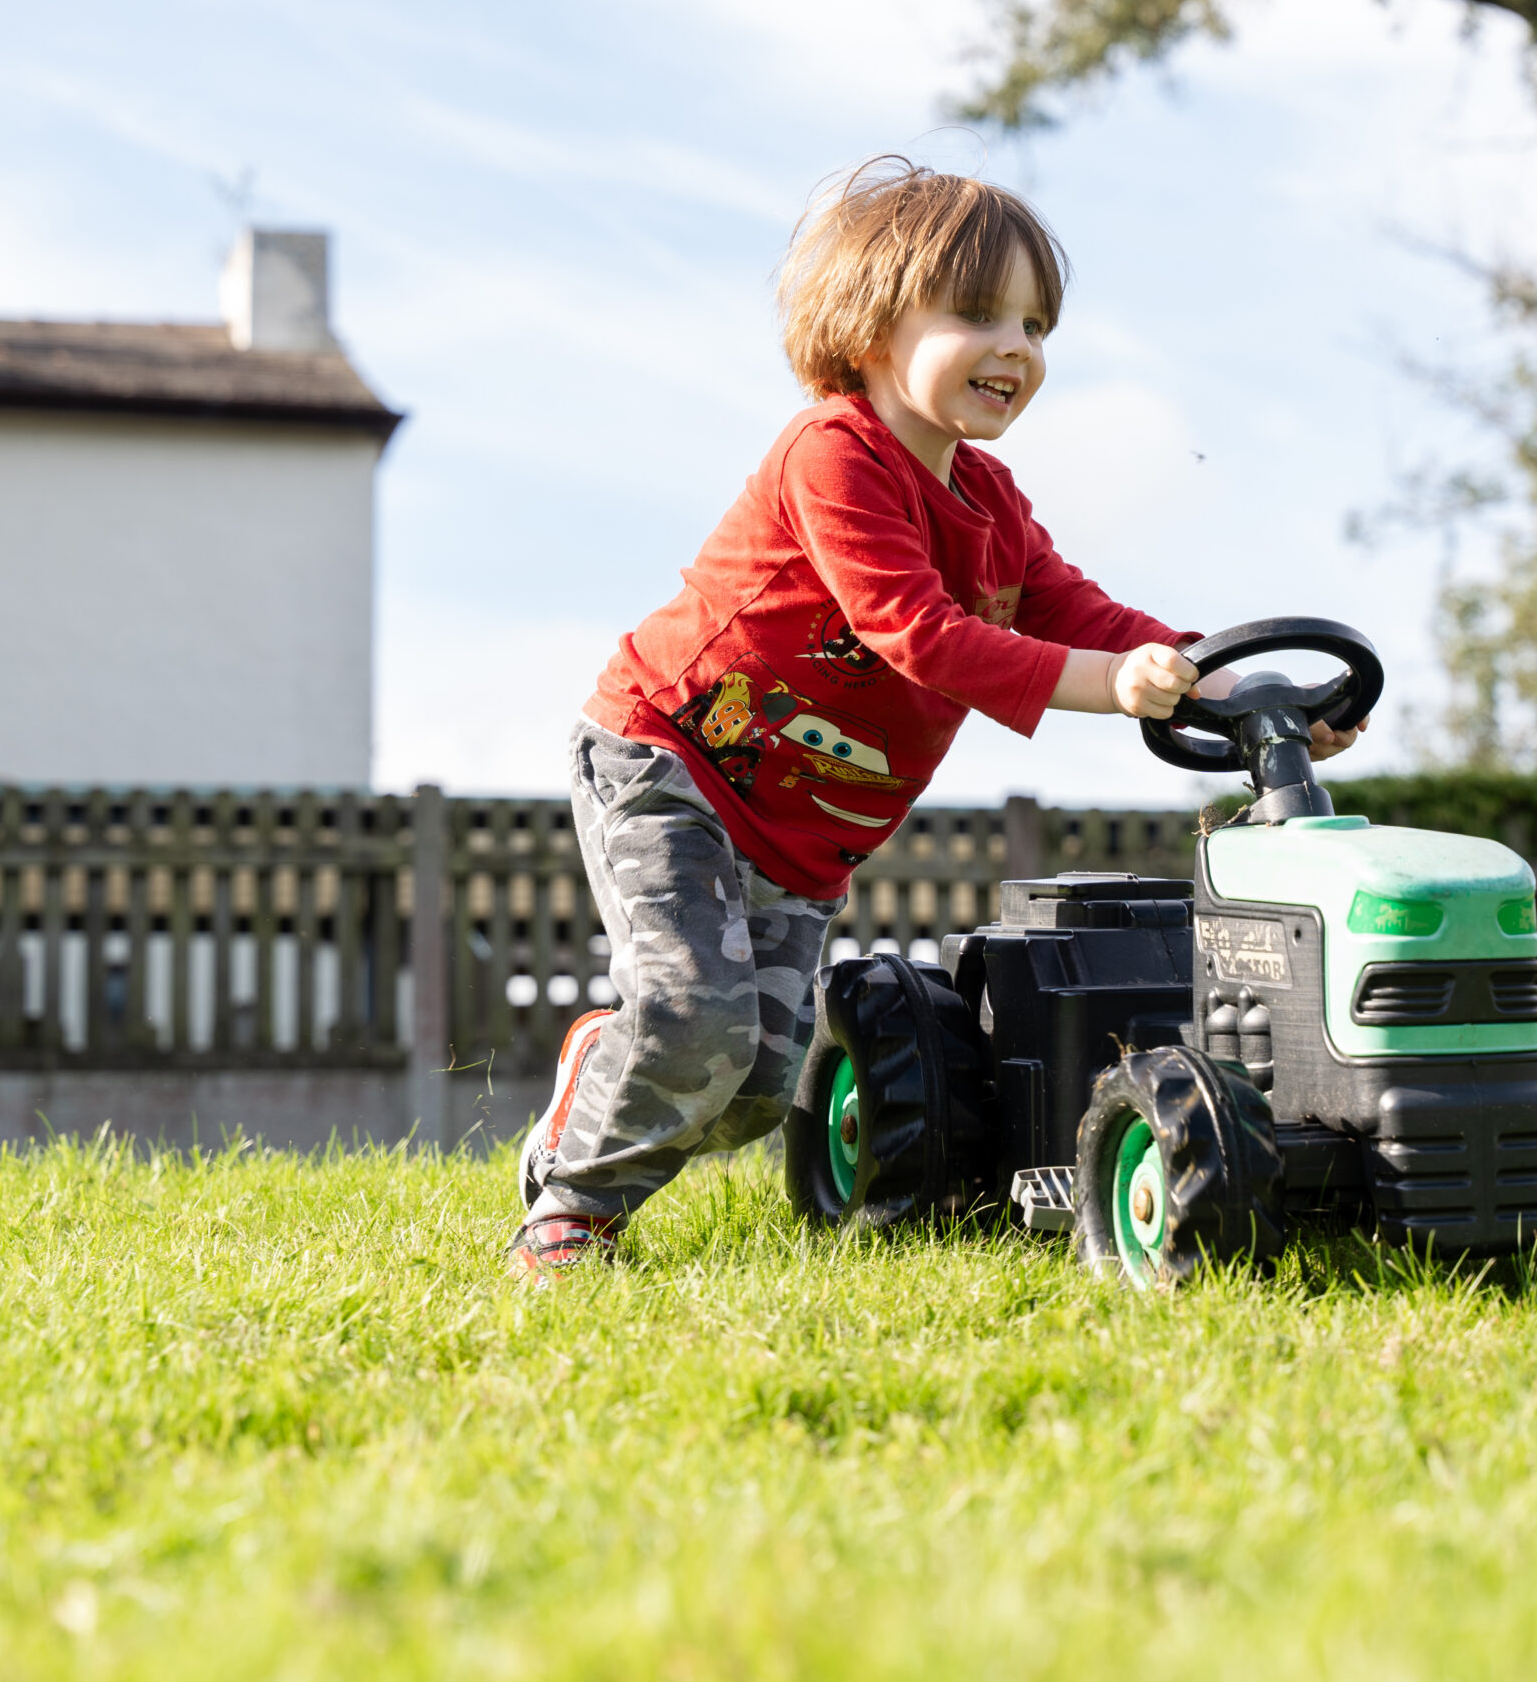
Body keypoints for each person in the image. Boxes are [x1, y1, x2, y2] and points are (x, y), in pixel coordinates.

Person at [509, 157, 1360, 1277]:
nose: (1015, 347)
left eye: (1034, 324)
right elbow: (911, 629)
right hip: (674, 760)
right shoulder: (836, 454)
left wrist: (1239, 694)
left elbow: (1087, 614)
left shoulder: (993, 507)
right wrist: (1106, 686)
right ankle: (569, 1211)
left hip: (806, 836)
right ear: (867, 327)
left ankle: (608, 1064)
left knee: (757, 1089)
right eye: (975, 313)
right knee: (691, 1021)